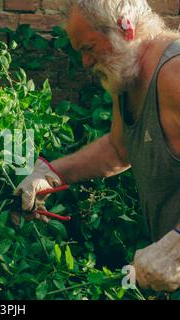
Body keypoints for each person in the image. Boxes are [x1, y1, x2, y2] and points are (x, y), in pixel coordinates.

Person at [14, 0, 180, 293]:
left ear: (124, 28)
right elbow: (118, 149)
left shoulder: (175, 73)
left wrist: (176, 244)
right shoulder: (128, 76)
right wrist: (50, 173)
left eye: (88, 48)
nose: (86, 63)